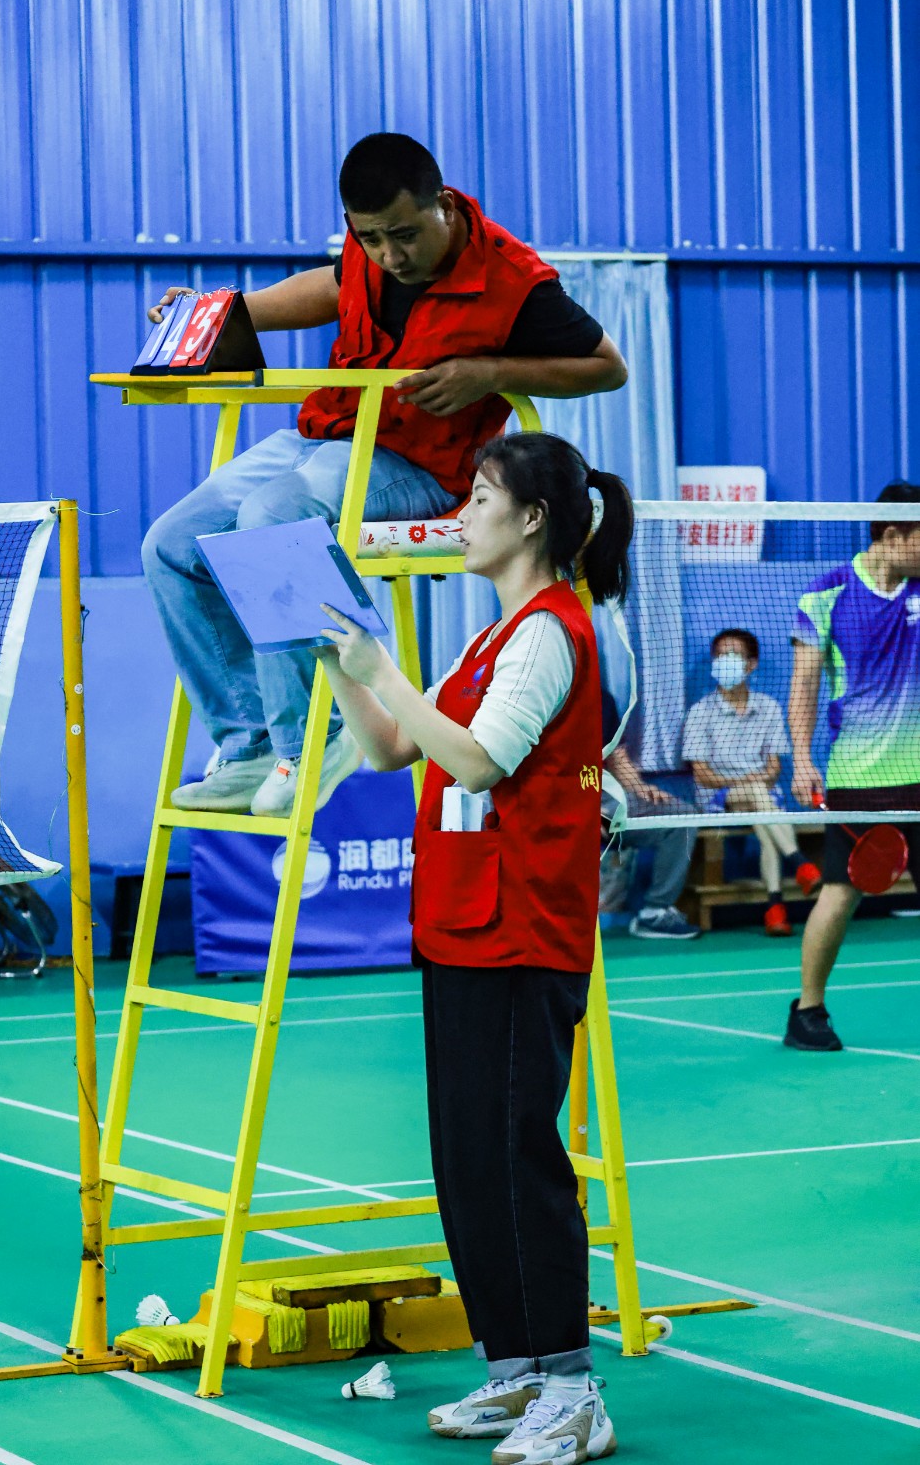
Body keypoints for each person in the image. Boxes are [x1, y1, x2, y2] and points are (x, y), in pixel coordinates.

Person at [141, 132, 627, 819]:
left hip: (420, 466)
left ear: (443, 206)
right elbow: (327, 287)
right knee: (169, 543)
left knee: (270, 519)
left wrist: (492, 372)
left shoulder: (516, 282)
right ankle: (250, 745)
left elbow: (608, 367)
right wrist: (216, 315)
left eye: (404, 236)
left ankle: (315, 741)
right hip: (327, 437)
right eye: (369, 239)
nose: (389, 256)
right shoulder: (366, 255)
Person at [316, 432, 629, 1464]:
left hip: (521, 931)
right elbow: (392, 747)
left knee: (516, 1157)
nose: (461, 517)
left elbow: (481, 760)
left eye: (480, 498)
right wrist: (340, 665)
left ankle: (572, 1390)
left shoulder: (549, 633)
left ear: (531, 519)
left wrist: (384, 668)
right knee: (466, 1160)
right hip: (460, 925)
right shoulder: (489, 638)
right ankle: (516, 1369)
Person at [785, 483, 920, 1051]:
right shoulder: (827, 594)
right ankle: (808, 1011)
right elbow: (805, 685)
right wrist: (801, 759)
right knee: (840, 892)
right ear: (892, 535)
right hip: (859, 775)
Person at [682, 629, 821, 936]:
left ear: (751, 664)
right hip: (716, 799)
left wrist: (752, 782)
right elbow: (702, 775)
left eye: (733, 655)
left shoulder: (768, 707)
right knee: (764, 800)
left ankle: (775, 907)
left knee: (764, 819)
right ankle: (798, 863)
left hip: (761, 798)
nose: (724, 661)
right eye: (720, 656)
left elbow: (774, 769)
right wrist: (747, 781)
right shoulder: (700, 712)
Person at [599, 687, 701, 939]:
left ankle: (654, 912)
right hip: (560, 800)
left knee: (681, 815)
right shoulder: (544, 694)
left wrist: (640, 788)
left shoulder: (600, 698)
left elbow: (617, 756)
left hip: (604, 798)